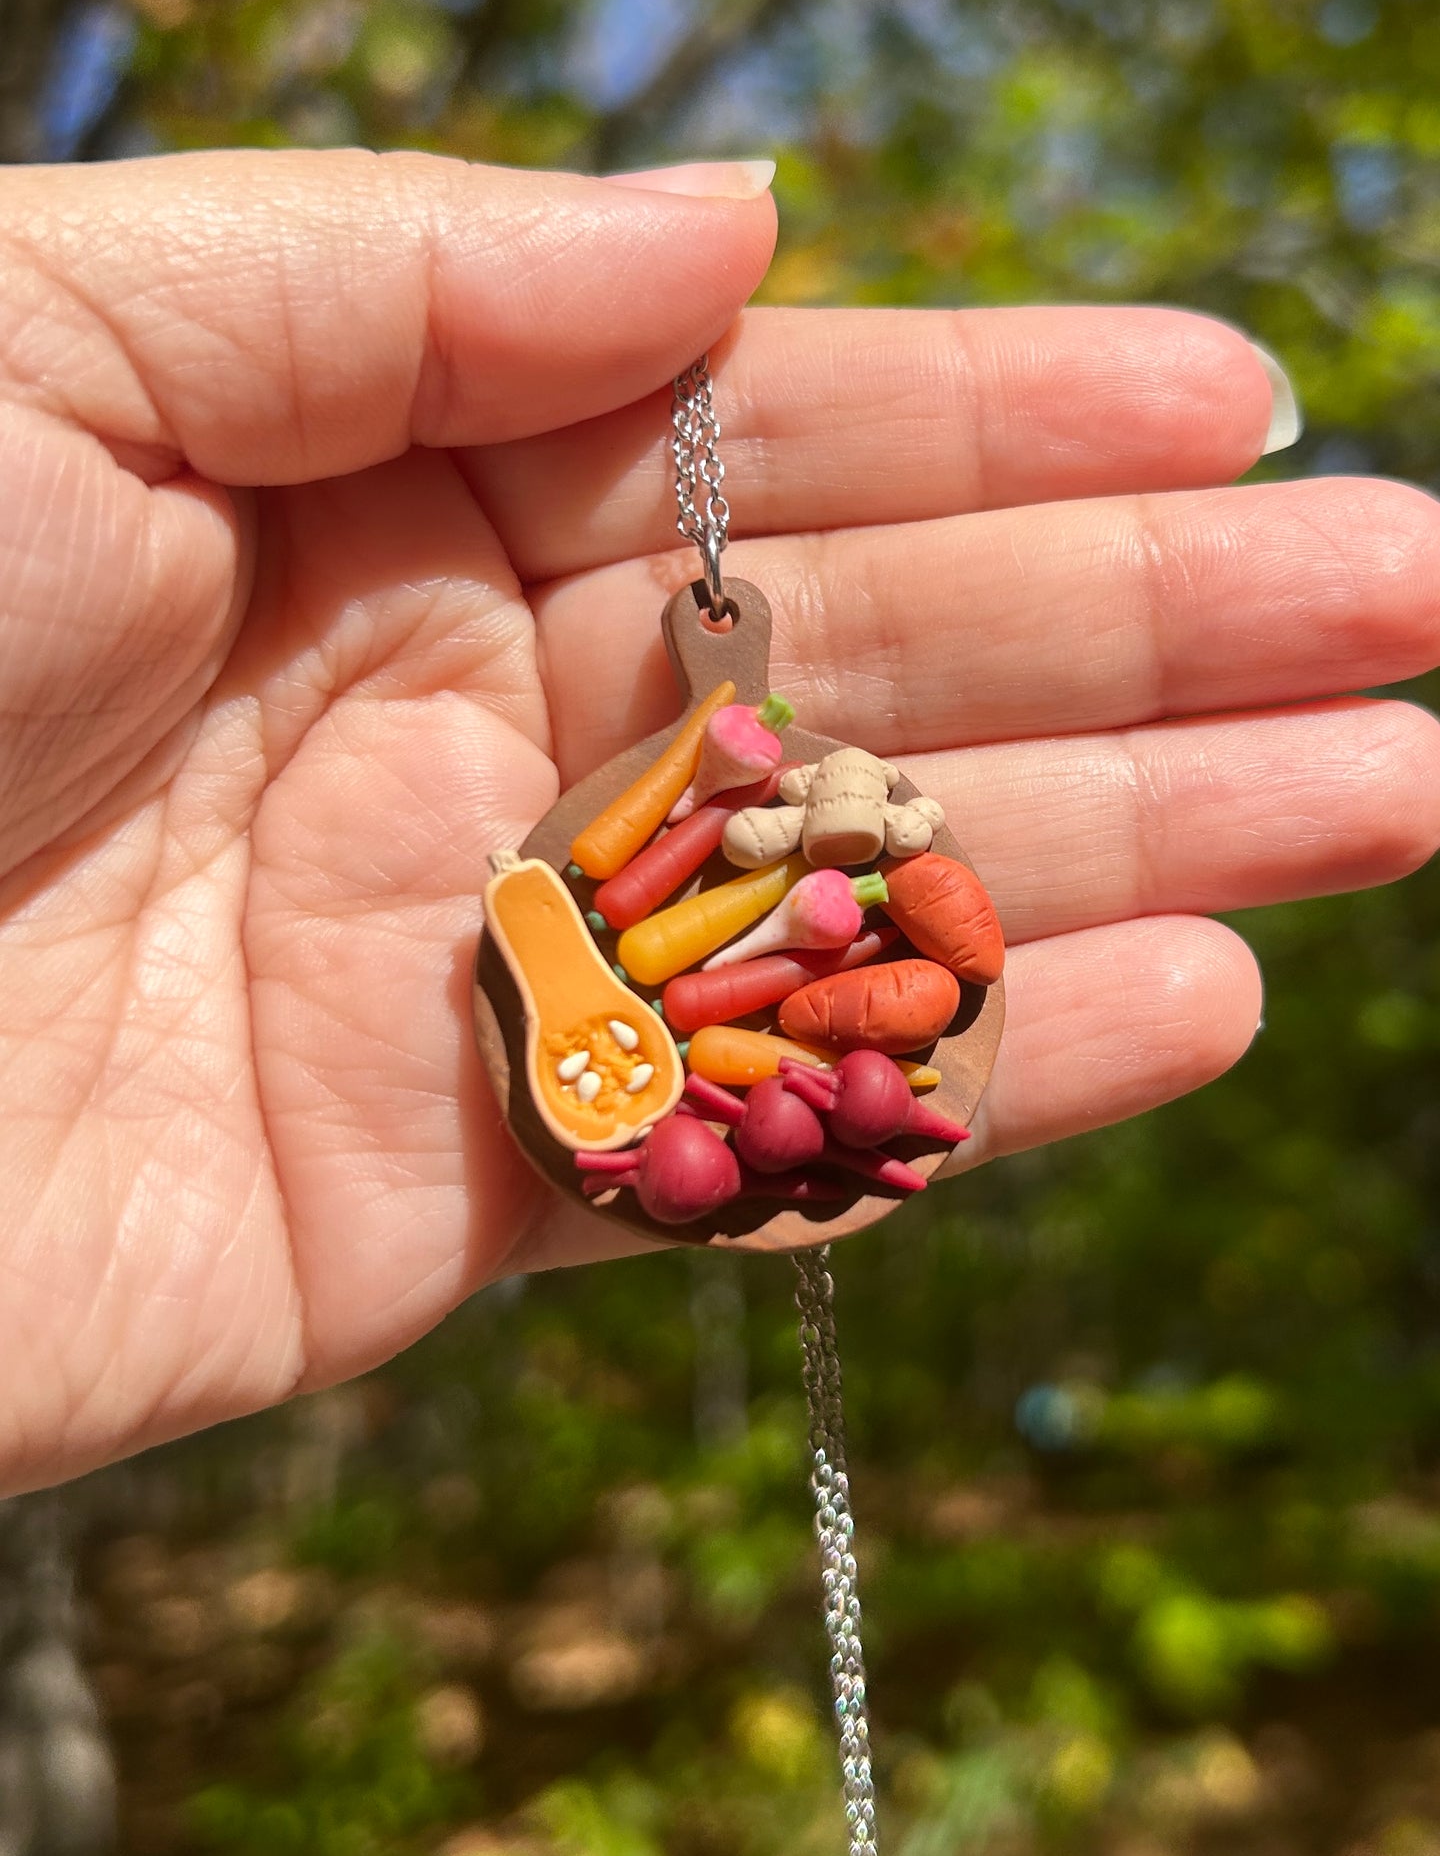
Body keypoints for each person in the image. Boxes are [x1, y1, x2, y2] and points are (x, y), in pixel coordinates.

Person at [0, 149, 1434, 1497]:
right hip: (673, 951)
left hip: (718, 961)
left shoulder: (799, 956)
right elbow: (722, 996)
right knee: (669, 926)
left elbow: (831, 1015)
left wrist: (777, 985)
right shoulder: (650, 925)